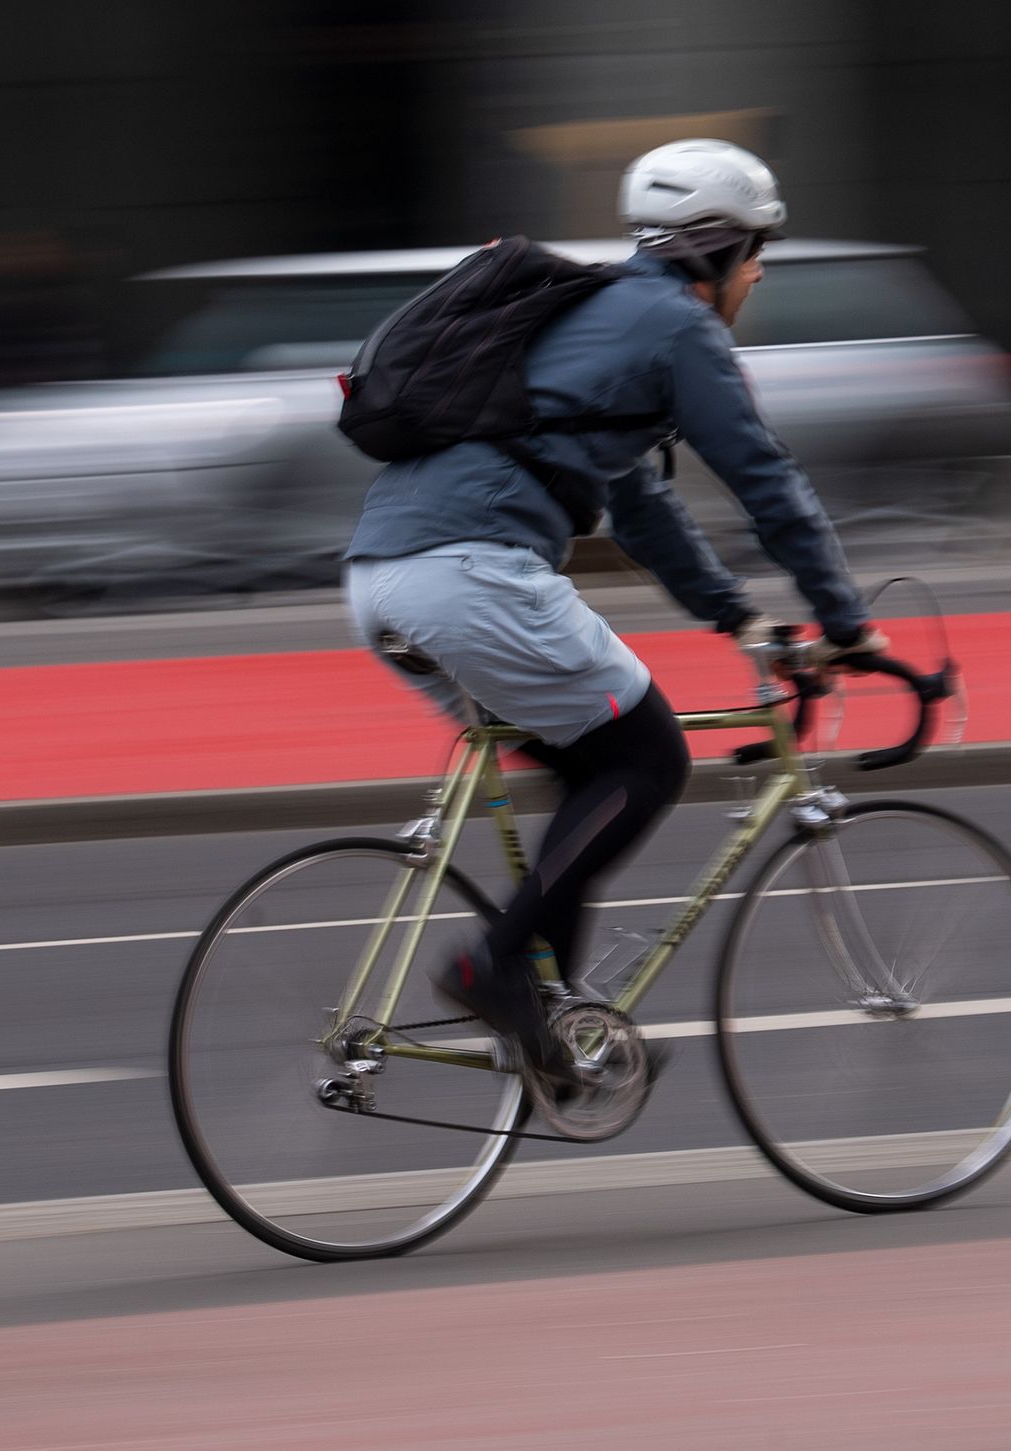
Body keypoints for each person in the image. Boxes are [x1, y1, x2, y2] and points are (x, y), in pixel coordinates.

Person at [343, 138, 887, 1086]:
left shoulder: (593, 312)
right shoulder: (679, 328)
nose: (759, 273)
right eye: (758, 251)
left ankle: (550, 1023)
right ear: (714, 249)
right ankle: (496, 967)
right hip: (473, 571)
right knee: (648, 756)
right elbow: (766, 477)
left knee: (591, 768)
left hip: (379, 575)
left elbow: (642, 508)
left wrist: (739, 617)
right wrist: (845, 623)